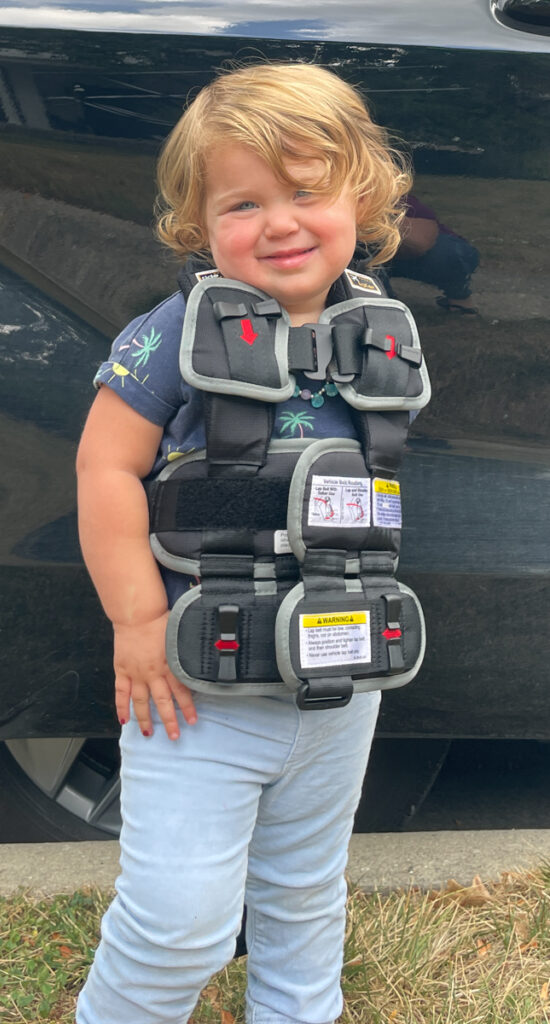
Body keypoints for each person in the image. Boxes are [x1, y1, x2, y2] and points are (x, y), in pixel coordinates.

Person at [75, 61, 412, 1024]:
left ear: (364, 194)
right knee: (179, 921)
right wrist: (135, 617)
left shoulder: (380, 332)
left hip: (340, 678)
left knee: (304, 894)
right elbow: (104, 470)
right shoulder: (175, 331)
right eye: (243, 202)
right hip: (196, 691)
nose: (280, 223)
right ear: (196, 221)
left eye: (308, 192)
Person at [387, 194, 480, 313]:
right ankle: (378, 300)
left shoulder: (385, 190)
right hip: (368, 252)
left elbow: (421, 242)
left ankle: (458, 293)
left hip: (404, 241)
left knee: (453, 254)